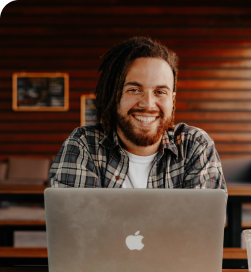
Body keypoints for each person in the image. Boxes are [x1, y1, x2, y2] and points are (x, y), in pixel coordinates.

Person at [49, 36, 227, 201]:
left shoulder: (195, 146)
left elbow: (200, 231)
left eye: (160, 92)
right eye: (134, 89)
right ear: (113, 95)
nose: (148, 104)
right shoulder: (83, 146)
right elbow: (77, 229)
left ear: (172, 100)